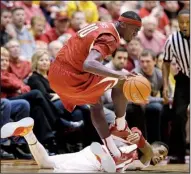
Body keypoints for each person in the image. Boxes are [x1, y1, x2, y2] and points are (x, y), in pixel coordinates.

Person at [48, 11, 143, 166]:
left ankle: (113, 151)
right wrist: (118, 74)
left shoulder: (101, 26)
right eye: (135, 29)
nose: (136, 34)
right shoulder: (110, 38)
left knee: (96, 103)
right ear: (124, 24)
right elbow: (89, 64)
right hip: (72, 76)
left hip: (56, 74)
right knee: (124, 80)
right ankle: (120, 125)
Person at [1, 117, 168, 172]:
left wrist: (137, 134)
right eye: (160, 151)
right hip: (99, 160)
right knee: (115, 167)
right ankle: (107, 162)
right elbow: (146, 150)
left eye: (163, 157)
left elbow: (143, 145)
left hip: (94, 152)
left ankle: (28, 132)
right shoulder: (145, 156)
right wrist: (138, 135)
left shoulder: (144, 160)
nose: (160, 157)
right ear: (153, 145)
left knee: (46, 163)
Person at [162, 9, 190, 164]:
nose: (184, 25)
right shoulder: (172, 40)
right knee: (178, 114)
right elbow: (165, 62)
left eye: (188, 22)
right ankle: (177, 154)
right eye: (181, 23)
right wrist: (166, 85)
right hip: (184, 78)